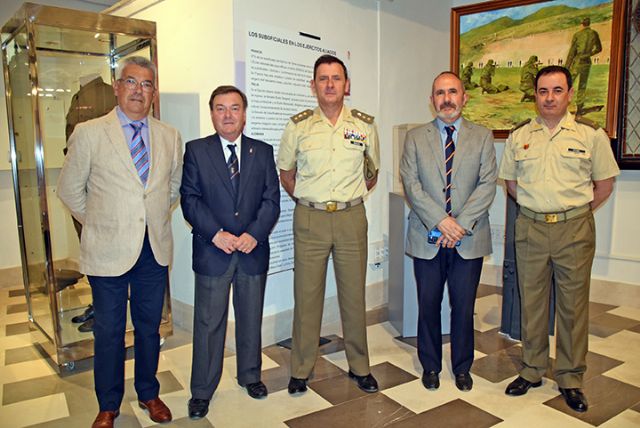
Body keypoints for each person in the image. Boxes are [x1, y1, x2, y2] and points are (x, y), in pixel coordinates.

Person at [57, 56, 183, 428]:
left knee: (149, 328)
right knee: (109, 332)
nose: (138, 91)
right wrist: (101, 223)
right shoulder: (90, 132)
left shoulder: (169, 136)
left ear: (154, 93)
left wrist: (147, 219)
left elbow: (171, 188)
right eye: (131, 82)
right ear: (117, 86)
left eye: (146, 85)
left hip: (153, 251)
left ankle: (148, 392)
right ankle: (109, 404)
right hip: (106, 252)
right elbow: (70, 191)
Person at [500, 66, 619, 413]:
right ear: (535, 95)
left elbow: (604, 185)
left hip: (574, 230)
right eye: (542, 91)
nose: (549, 97)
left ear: (569, 94)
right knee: (531, 303)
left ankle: (570, 378)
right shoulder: (519, 135)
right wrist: (540, 210)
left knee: (572, 307)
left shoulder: (590, 135)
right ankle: (533, 369)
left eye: (556, 90)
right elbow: (512, 184)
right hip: (532, 229)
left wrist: (572, 214)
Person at [278, 54, 380, 395]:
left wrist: (345, 200)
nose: (330, 84)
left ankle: (360, 366)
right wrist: (313, 202)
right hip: (310, 219)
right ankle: (301, 369)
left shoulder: (365, 125)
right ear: (313, 86)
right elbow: (286, 174)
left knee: (353, 296)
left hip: (352, 219)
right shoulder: (298, 126)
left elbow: (372, 172)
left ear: (347, 85)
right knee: (307, 297)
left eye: (337, 78)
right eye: (323, 79)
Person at [180, 86, 280, 419]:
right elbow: (190, 198)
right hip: (214, 251)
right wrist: (215, 234)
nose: (227, 115)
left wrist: (254, 233)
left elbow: (271, 200)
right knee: (209, 323)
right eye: (220, 108)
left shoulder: (262, 152)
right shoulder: (196, 150)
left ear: (244, 113)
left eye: (234, 108)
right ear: (212, 114)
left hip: (252, 251)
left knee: (251, 317)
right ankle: (202, 391)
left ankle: (251, 375)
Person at [400, 71, 497, 392]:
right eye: (439, 93)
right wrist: (441, 221)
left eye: (452, 91)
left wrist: (459, 225)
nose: (446, 99)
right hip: (427, 235)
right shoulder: (415, 138)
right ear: (432, 101)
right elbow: (411, 185)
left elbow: (486, 185)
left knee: (463, 305)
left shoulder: (482, 137)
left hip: (467, 238)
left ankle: (461, 367)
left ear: (464, 97)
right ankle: (430, 365)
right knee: (428, 303)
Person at [565, 17, 602, 116]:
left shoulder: (577, 35)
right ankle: (579, 108)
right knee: (582, 85)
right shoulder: (594, 33)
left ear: (582, 24)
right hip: (586, 62)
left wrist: (566, 68)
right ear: (589, 24)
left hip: (577, 62)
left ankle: (562, 107)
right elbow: (599, 49)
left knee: (567, 85)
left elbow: (571, 53)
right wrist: (589, 54)